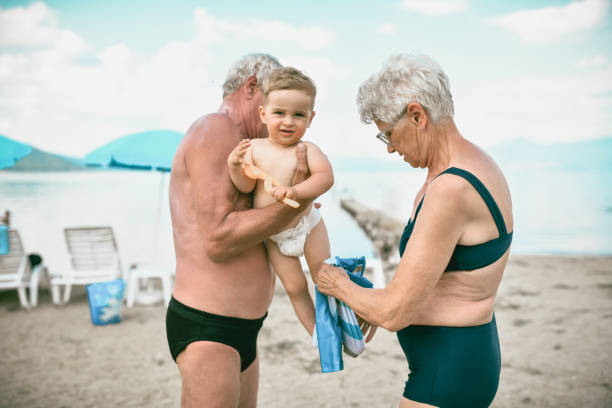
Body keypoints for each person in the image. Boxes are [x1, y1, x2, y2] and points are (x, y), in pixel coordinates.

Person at [317, 53, 513, 408]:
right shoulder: (468, 165)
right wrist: (370, 303)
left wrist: (337, 284)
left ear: (417, 115)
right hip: (459, 358)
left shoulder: (451, 188)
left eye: (388, 133)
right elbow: (430, 282)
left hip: (448, 368)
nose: (390, 147)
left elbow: (395, 313)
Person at [166, 53, 313, 408]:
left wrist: (294, 208)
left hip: (243, 329)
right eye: (275, 104)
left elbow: (261, 224)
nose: (280, 120)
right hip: (209, 327)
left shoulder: (253, 149)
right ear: (252, 88)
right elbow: (219, 238)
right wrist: (294, 207)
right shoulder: (216, 129)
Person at [227, 67, 333, 336]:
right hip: (275, 235)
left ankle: (340, 320)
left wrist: (295, 192)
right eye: (279, 113)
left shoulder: (308, 149)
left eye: (299, 115)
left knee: (325, 276)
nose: (289, 121)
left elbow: (325, 178)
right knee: (296, 287)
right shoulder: (254, 148)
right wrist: (235, 166)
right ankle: (319, 336)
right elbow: (247, 185)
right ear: (263, 114)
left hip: (308, 223)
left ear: (311, 118)